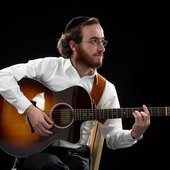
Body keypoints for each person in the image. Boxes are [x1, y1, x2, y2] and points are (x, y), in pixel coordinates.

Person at [0, 16, 150, 170]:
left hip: (76, 156)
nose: (102, 48)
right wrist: (29, 109)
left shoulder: (105, 88)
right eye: (93, 41)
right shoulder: (49, 67)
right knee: (49, 165)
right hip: (37, 150)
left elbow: (112, 138)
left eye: (102, 41)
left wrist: (134, 134)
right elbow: (2, 77)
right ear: (73, 45)